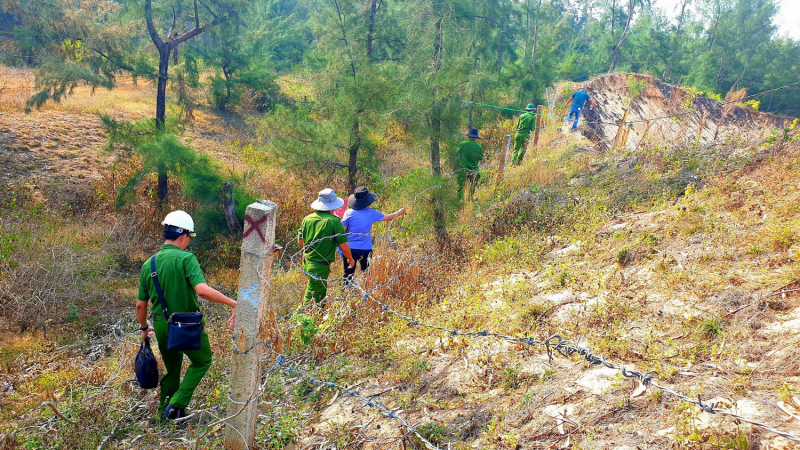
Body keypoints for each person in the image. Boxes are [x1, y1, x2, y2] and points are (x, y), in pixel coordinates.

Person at [135, 210, 238, 421]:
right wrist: (234, 303)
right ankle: (176, 405)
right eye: (189, 237)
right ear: (183, 236)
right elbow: (202, 290)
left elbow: (140, 305)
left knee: (172, 369)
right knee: (202, 361)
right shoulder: (186, 258)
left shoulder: (149, 264)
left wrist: (144, 328)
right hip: (187, 325)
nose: (188, 242)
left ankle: (163, 414)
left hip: (162, 324)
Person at [298, 188, 355, 305]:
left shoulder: (307, 219)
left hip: (307, 261)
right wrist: (350, 259)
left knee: (319, 291)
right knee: (312, 295)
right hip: (320, 264)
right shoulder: (334, 221)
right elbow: (344, 246)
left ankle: (319, 313)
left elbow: (300, 243)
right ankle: (300, 315)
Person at [341, 187, 405, 283]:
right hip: (366, 249)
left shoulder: (348, 213)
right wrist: (399, 212)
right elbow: (388, 217)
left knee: (348, 274)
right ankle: (366, 290)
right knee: (366, 273)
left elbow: (342, 231)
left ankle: (346, 290)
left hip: (350, 248)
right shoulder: (372, 213)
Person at [454, 128, 484, 200]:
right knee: (473, 185)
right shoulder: (479, 147)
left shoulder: (463, 144)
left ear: (468, 136)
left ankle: (460, 201)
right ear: (476, 138)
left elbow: (455, 154)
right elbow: (480, 158)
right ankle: (470, 198)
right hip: (474, 170)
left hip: (462, 169)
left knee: (460, 187)